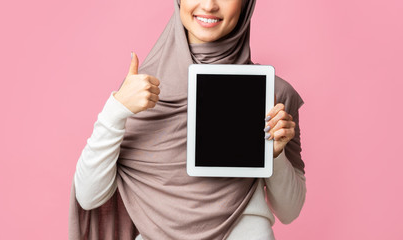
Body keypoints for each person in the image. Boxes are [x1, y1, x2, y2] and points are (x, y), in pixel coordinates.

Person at [69, 0, 306, 239]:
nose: (209, 5)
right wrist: (116, 110)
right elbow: (89, 196)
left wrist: (274, 155)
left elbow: (290, 211)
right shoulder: (139, 90)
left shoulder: (273, 93)